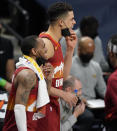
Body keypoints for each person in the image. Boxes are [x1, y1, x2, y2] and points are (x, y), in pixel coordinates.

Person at [39, 2, 78, 131]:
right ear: (61, 22)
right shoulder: (46, 44)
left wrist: (70, 50)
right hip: (42, 107)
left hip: (53, 104)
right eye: (71, 19)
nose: (74, 22)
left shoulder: (57, 42)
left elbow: (63, 76)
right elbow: (35, 84)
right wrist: (63, 94)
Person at [3, 35, 53, 131]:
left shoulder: (35, 71)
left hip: (33, 125)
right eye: (43, 46)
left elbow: (43, 98)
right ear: (34, 51)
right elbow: (19, 108)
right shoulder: (27, 74)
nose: (46, 49)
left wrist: (48, 80)